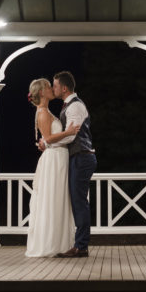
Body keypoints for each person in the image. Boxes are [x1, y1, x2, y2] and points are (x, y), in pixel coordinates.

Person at [24, 77, 79, 257]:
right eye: (49, 87)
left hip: (59, 157)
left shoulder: (46, 111)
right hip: (54, 159)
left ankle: (59, 242)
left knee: (59, 198)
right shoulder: (43, 113)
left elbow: (46, 140)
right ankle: (50, 243)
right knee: (53, 198)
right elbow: (48, 138)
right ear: (42, 92)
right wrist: (68, 132)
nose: (51, 89)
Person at [52, 70, 96, 258]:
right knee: (77, 201)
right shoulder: (68, 105)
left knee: (79, 202)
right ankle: (79, 243)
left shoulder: (75, 107)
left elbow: (71, 135)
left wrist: (48, 143)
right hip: (78, 157)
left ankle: (81, 246)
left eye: (54, 86)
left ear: (64, 87)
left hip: (82, 156)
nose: (53, 89)